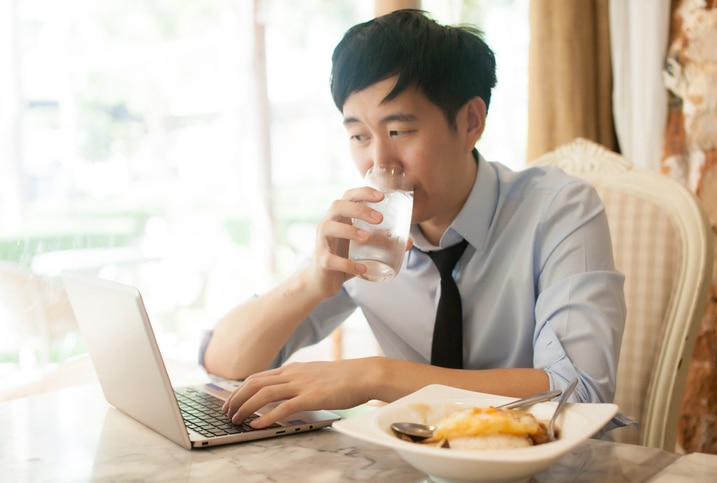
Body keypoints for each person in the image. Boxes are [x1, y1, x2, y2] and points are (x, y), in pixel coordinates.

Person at [201, 9, 626, 430]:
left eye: (399, 131)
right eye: (359, 136)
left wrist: (376, 377)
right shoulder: (367, 231)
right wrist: (311, 281)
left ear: (470, 122)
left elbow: (578, 393)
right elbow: (223, 362)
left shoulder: (558, 210)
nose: (379, 162)